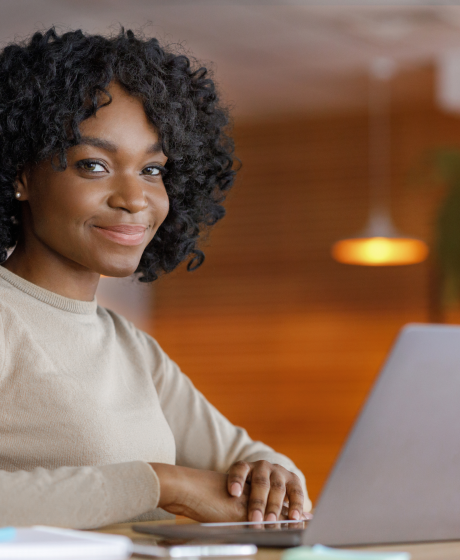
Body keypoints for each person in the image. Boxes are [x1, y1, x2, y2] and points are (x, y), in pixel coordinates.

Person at [0, 28, 311, 529]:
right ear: (20, 176)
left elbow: (256, 462)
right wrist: (163, 483)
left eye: (152, 169)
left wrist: (272, 477)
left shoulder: (130, 347)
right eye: (94, 165)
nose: (135, 198)